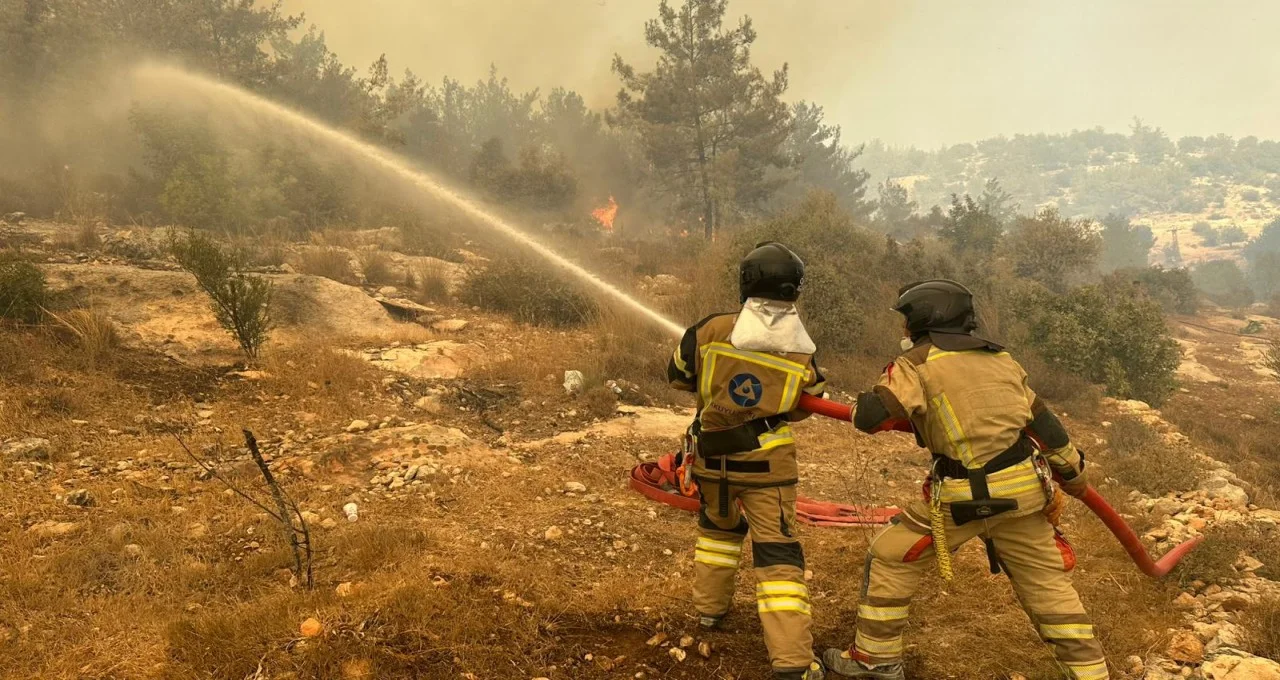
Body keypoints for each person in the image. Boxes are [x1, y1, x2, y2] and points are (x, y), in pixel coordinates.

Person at [822, 280, 1107, 680]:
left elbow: (870, 417)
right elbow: (1046, 426)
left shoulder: (916, 364)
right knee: (1049, 587)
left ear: (921, 320)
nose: (903, 330)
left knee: (889, 556)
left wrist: (872, 400)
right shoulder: (1003, 360)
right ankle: (1091, 673)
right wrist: (1074, 474)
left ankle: (875, 661)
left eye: (906, 320)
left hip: (960, 499)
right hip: (1024, 493)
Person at [668, 242, 828, 680]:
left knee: (717, 534)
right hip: (767, 470)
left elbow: (677, 374)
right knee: (777, 557)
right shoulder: (801, 346)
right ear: (793, 288)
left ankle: (709, 612)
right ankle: (794, 662)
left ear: (745, 280)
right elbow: (803, 402)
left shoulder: (711, 329)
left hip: (712, 464)